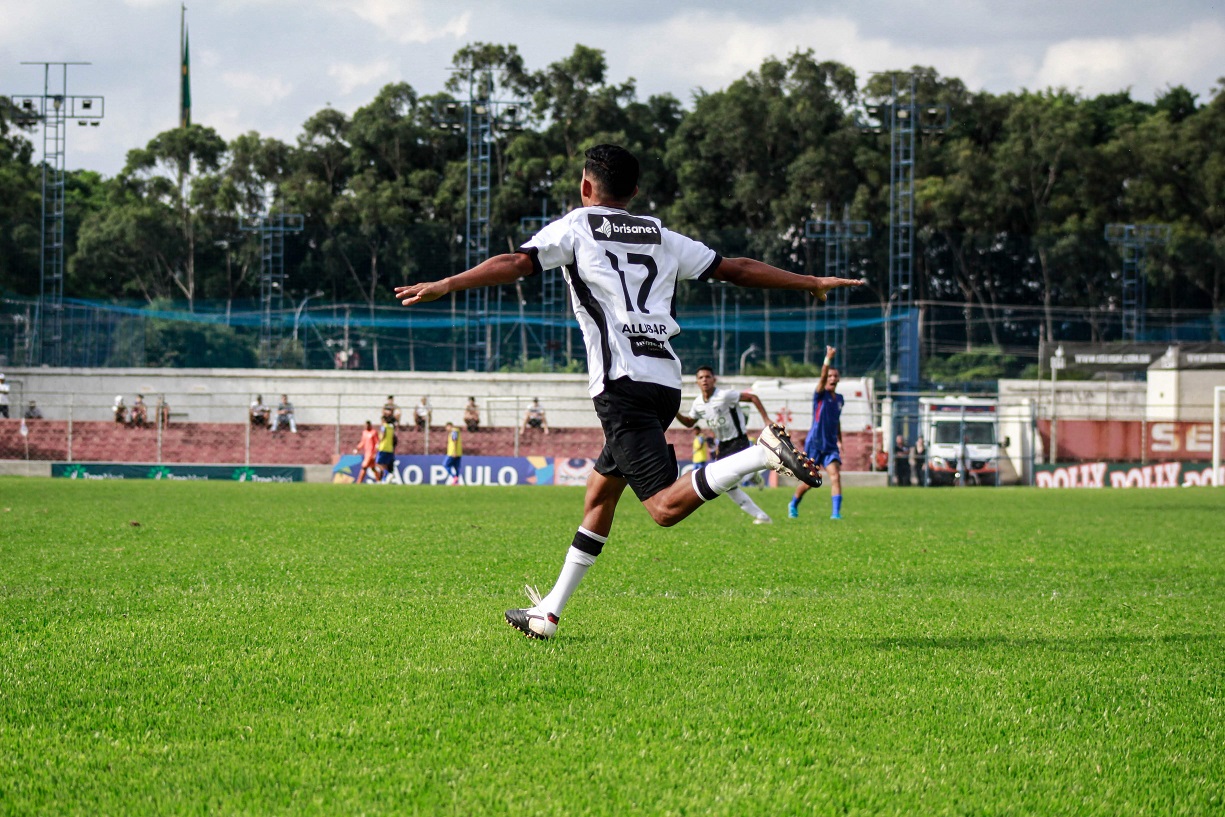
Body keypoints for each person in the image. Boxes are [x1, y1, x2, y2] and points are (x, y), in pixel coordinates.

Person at [394, 143, 861, 641]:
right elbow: (736, 268)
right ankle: (548, 612)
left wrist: (449, 282)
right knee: (600, 493)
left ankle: (758, 455)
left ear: (585, 186)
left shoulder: (577, 225)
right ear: (635, 192)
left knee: (662, 508)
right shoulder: (661, 234)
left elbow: (516, 262)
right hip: (663, 382)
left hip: (621, 385)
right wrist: (809, 280)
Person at [675, 365, 773, 524]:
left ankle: (751, 474)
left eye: (707, 377)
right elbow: (688, 423)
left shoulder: (725, 395)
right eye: (701, 378)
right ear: (697, 382)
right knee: (727, 486)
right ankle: (762, 516)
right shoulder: (698, 403)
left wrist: (766, 420)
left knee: (733, 476)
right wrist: (675, 412)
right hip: (723, 446)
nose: (704, 380)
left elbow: (753, 397)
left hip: (738, 440)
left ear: (714, 380)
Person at [788, 346, 845, 521]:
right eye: (830, 376)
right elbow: (822, 375)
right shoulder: (820, 395)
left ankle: (836, 514)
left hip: (830, 445)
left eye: (835, 376)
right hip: (815, 443)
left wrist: (840, 440)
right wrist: (828, 358)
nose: (832, 378)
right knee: (810, 482)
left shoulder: (840, 399)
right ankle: (793, 503)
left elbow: (837, 421)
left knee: (835, 476)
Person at [354, 420, 380, 484]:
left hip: (371, 453)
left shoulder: (374, 432)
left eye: (367, 425)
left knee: (364, 466)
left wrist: (375, 452)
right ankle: (379, 480)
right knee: (373, 468)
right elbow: (363, 442)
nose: (366, 426)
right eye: (365, 425)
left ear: (370, 425)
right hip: (367, 453)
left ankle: (359, 482)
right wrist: (357, 448)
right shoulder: (364, 433)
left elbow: (377, 443)